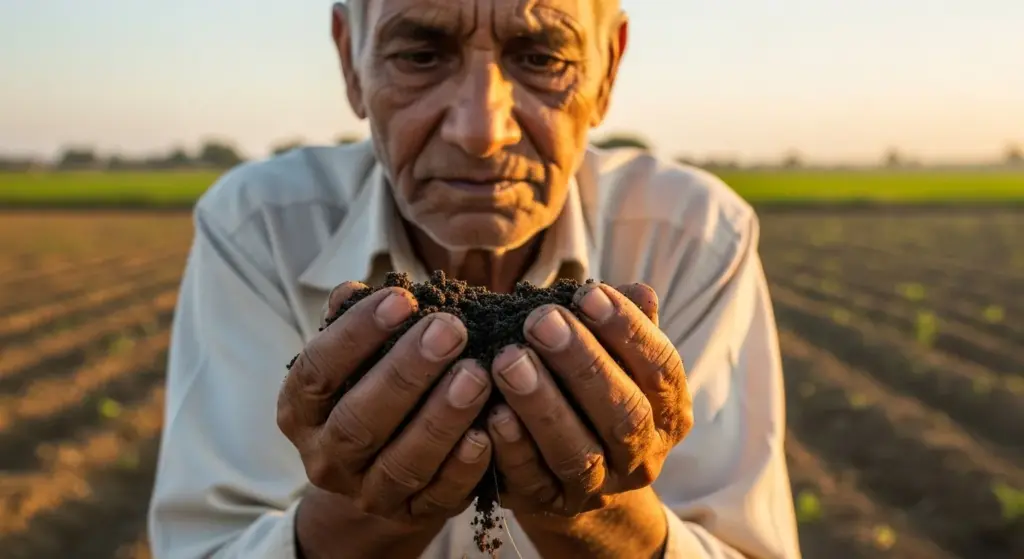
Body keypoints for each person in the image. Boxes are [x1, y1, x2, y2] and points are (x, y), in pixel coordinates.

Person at [147, 0, 802, 557]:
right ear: (351, 60)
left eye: (542, 58)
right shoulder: (260, 227)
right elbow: (206, 541)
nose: (480, 132)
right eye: (421, 56)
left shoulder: (690, 235)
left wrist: (597, 511)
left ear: (607, 70)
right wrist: (361, 513)